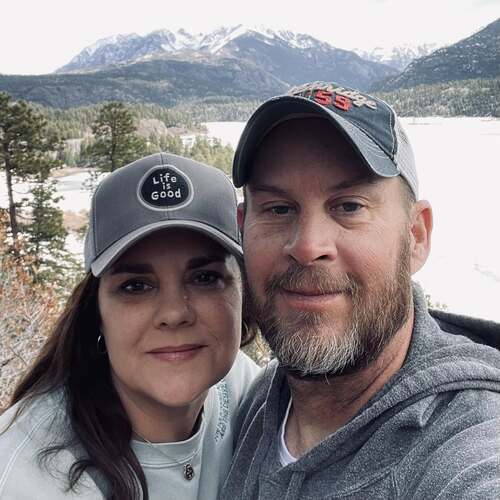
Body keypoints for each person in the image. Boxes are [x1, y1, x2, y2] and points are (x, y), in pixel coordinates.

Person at [220, 81, 500, 499]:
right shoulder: (262, 402)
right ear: (243, 228)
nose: (308, 246)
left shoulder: (467, 443)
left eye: (349, 206)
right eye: (278, 208)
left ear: (416, 236)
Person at [0, 152, 260, 499]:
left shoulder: (241, 386)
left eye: (205, 278)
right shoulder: (27, 480)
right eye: (136, 286)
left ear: (243, 293)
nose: (174, 313)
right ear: (97, 312)